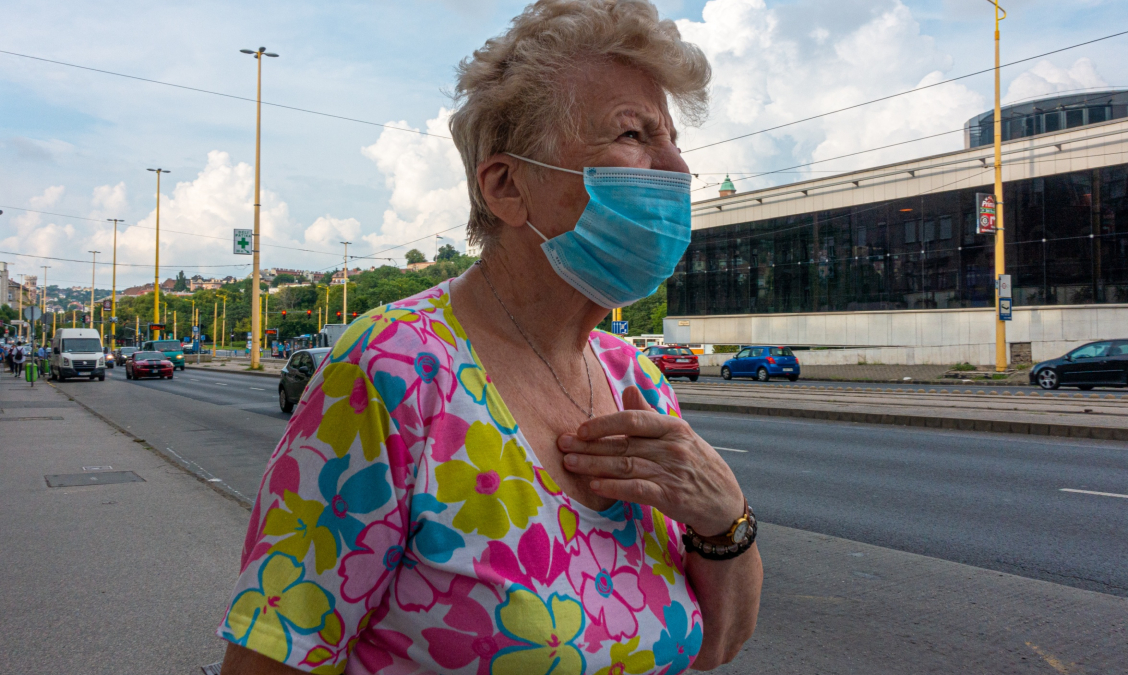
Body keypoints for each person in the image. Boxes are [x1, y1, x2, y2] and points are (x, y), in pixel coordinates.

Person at [218, 2, 762, 673]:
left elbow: (713, 646)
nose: (677, 168)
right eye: (633, 134)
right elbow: (272, 659)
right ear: (506, 186)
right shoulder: (391, 372)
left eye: (674, 139)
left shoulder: (635, 379)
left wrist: (725, 518)